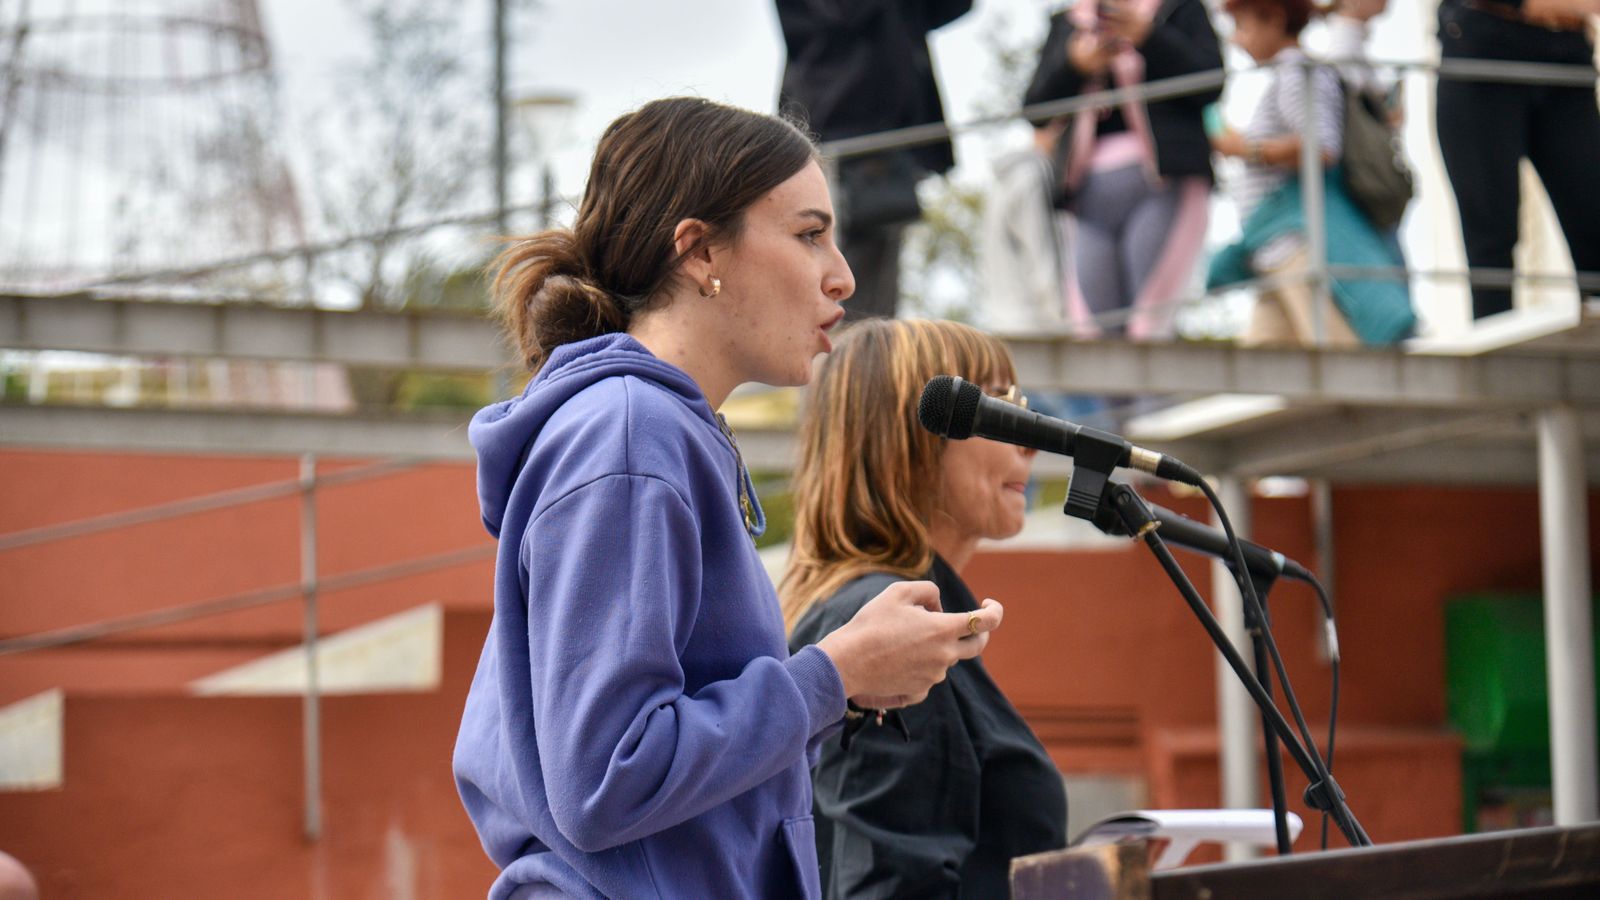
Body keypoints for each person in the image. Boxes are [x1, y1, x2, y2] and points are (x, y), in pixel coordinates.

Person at [451, 97, 1006, 900]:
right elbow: (606, 777)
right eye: (809, 233)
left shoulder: (653, 430)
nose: (842, 273)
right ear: (699, 250)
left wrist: (843, 687)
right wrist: (831, 675)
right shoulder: (631, 435)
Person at [782, 319, 1067, 897]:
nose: (1029, 438)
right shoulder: (887, 626)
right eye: (999, 406)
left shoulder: (875, 609)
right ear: (909, 439)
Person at [1208, 0, 1415, 346]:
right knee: (1265, 367)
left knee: (1335, 353)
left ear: (1272, 19)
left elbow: (1321, 147)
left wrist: (1243, 148)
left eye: (1242, 26)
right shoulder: (1292, 74)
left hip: (1293, 245)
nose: (1236, 41)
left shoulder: (1297, 73)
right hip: (1274, 250)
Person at [1024, 0, 1224, 341]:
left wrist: (1149, 36)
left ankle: (1155, 396)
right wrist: (1075, 64)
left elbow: (1210, 83)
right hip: (1085, 193)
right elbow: (1035, 110)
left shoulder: (1178, 9)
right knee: (1097, 332)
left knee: (1149, 325)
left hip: (1162, 182)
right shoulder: (1068, 22)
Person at [776, 0, 973, 320]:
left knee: (880, 282)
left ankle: (871, 358)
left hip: (893, 139)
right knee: (831, 272)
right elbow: (843, 11)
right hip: (835, 136)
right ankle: (841, 360)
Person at [1435, 0, 1600, 320]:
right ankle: (1495, 360)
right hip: (1484, 55)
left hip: (1566, 58)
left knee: (1593, 222)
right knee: (1491, 242)